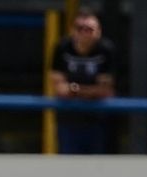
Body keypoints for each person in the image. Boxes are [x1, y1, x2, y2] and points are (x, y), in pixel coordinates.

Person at [49, 8, 116, 154]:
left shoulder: (106, 50)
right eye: (80, 28)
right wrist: (90, 91)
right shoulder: (62, 48)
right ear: (72, 30)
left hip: (99, 122)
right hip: (68, 120)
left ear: (98, 31)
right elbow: (59, 88)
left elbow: (105, 91)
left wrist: (73, 89)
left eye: (90, 29)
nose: (84, 33)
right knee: (69, 169)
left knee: (98, 170)